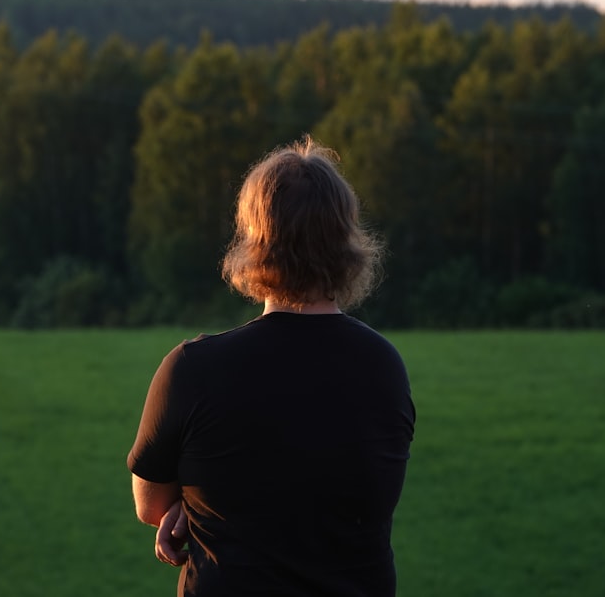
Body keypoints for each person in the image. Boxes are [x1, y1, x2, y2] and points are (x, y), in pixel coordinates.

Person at [127, 136, 416, 596]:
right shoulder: (384, 368)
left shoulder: (193, 369)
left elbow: (150, 504)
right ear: (346, 242)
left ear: (254, 241)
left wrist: (192, 503)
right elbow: (337, 492)